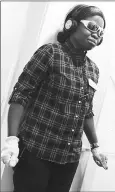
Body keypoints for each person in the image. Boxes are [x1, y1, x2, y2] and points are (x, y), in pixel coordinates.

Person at [1, 4, 108, 192]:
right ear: (71, 25)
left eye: (100, 31)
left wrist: (95, 146)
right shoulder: (50, 53)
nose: (96, 34)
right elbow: (20, 95)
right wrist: (11, 140)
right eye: (92, 27)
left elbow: (86, 111)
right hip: (36, 151)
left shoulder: (93, 70)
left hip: (69, 159)